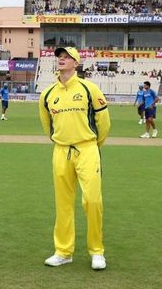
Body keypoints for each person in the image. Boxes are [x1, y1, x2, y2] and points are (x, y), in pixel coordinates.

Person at [38, 47, 111, 270]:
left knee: (92, 200)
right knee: (63, 204)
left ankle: (96, 251)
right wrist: (61, 141)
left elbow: (104, 123)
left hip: (87, 149)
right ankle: (63, 251)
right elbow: (47, 125)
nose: (61, 59)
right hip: (61, 151)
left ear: (76, 63)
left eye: (66, 57)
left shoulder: (90, 89)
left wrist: (92, 145)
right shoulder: (48, 93)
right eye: (59, 57)